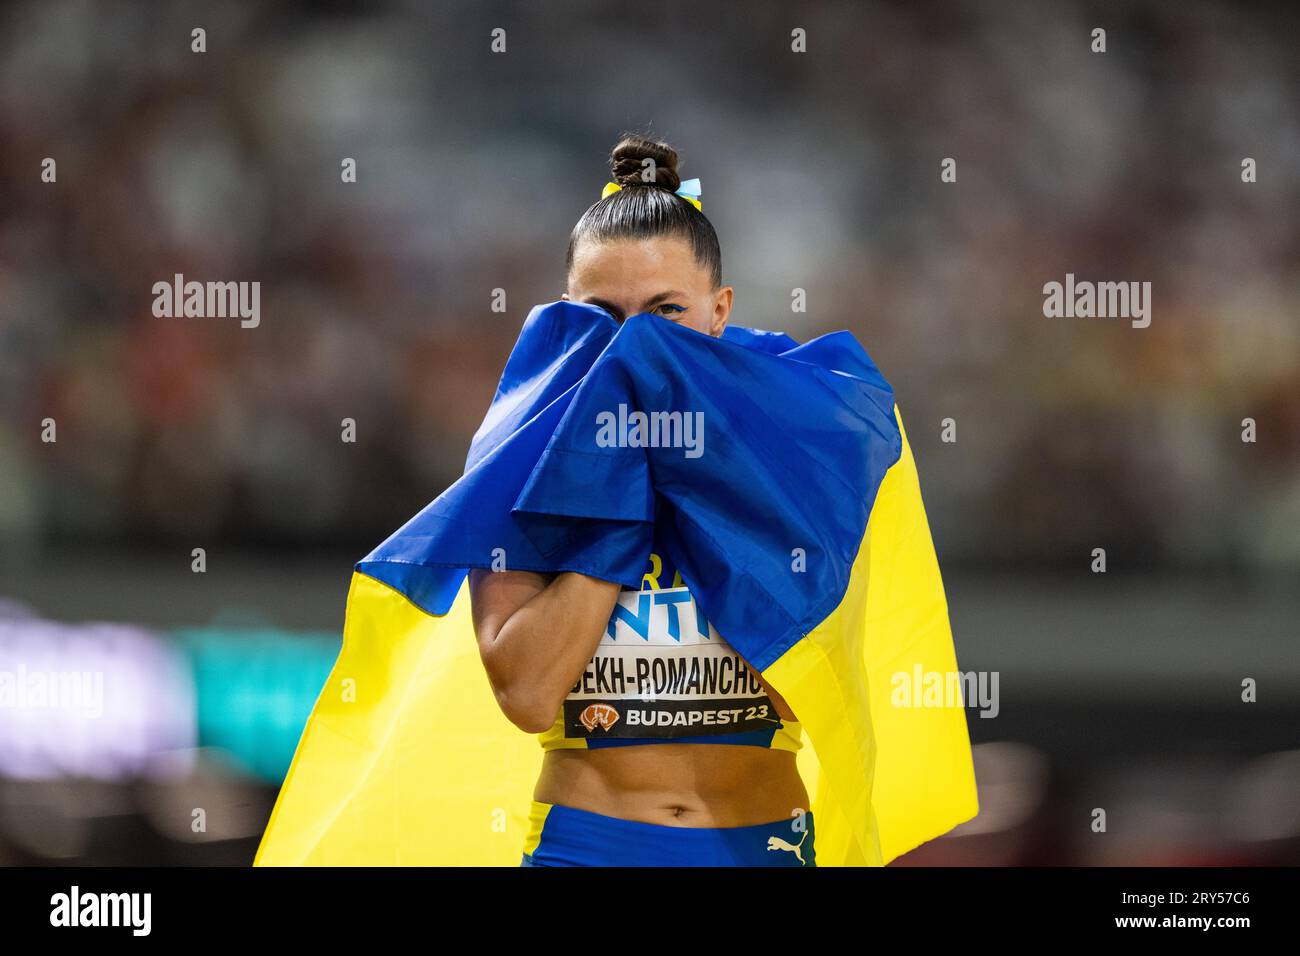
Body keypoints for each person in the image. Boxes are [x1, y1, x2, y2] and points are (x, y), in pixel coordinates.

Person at [468, 134, 816, 866]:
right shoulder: (519, 459)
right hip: (590, 843)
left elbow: (820, 692)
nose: (633, 347)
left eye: (664, 313)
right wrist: (617, 495)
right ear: (566, 315)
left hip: (762, 841)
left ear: (719, 309)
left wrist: (710, 476)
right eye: (605, 317)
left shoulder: (799, 450)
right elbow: (527, 694)